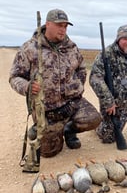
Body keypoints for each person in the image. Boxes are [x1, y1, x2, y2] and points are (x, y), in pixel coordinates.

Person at [9, 9, 101, 157]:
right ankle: (40, 128)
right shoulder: (29, 48)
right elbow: (14, 77)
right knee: (49, 152)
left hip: (72, 103)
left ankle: (69, 131)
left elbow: (82, 69)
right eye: (59, 25)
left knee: (94, 119)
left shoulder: (71, 47)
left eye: (65, 26)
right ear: (48, 24)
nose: (63, 29)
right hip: (47, 108)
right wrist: (27, 87)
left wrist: (77, 86)